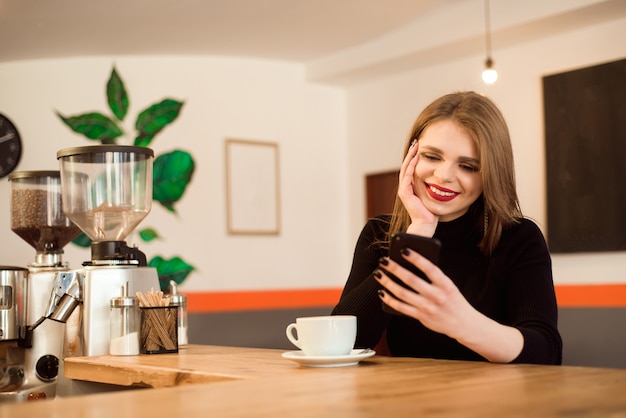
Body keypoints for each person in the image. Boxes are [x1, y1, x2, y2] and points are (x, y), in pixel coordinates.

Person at [332, 91, 562, 365]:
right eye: (432, 157)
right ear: (411, 157)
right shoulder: (379, 233)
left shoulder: (518, 237)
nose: (443, 176)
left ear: (490, 173)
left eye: (467, 166)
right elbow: (341, 343)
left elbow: (546, 352)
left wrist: (462, 323)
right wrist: (417, 233)